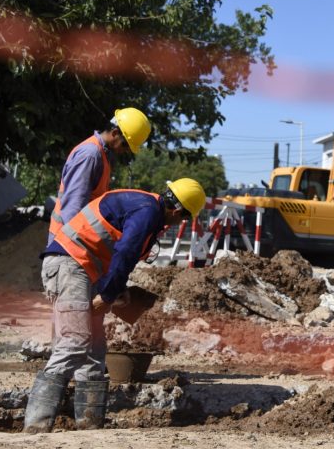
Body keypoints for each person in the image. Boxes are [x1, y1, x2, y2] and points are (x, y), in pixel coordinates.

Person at [24, 178, 206, 433]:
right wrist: (107, 296)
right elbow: (126, 252)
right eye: (183, 218)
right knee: (75, 340)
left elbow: (113, 250)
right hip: (68, 265)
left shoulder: (146, 206)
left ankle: (89, 425)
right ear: (177, 212)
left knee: (95, 348)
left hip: (84, 269)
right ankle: (36, 426)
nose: (180, 224)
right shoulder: (147, 213)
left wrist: (115, 290)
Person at [47, 107, 151, 246]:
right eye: (126, 145)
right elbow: (74, 205)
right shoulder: (90, 155)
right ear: (115, 133)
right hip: (66, 241)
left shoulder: (102, 155)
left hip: (72, 239)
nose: (125, 151)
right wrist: (76, 245)